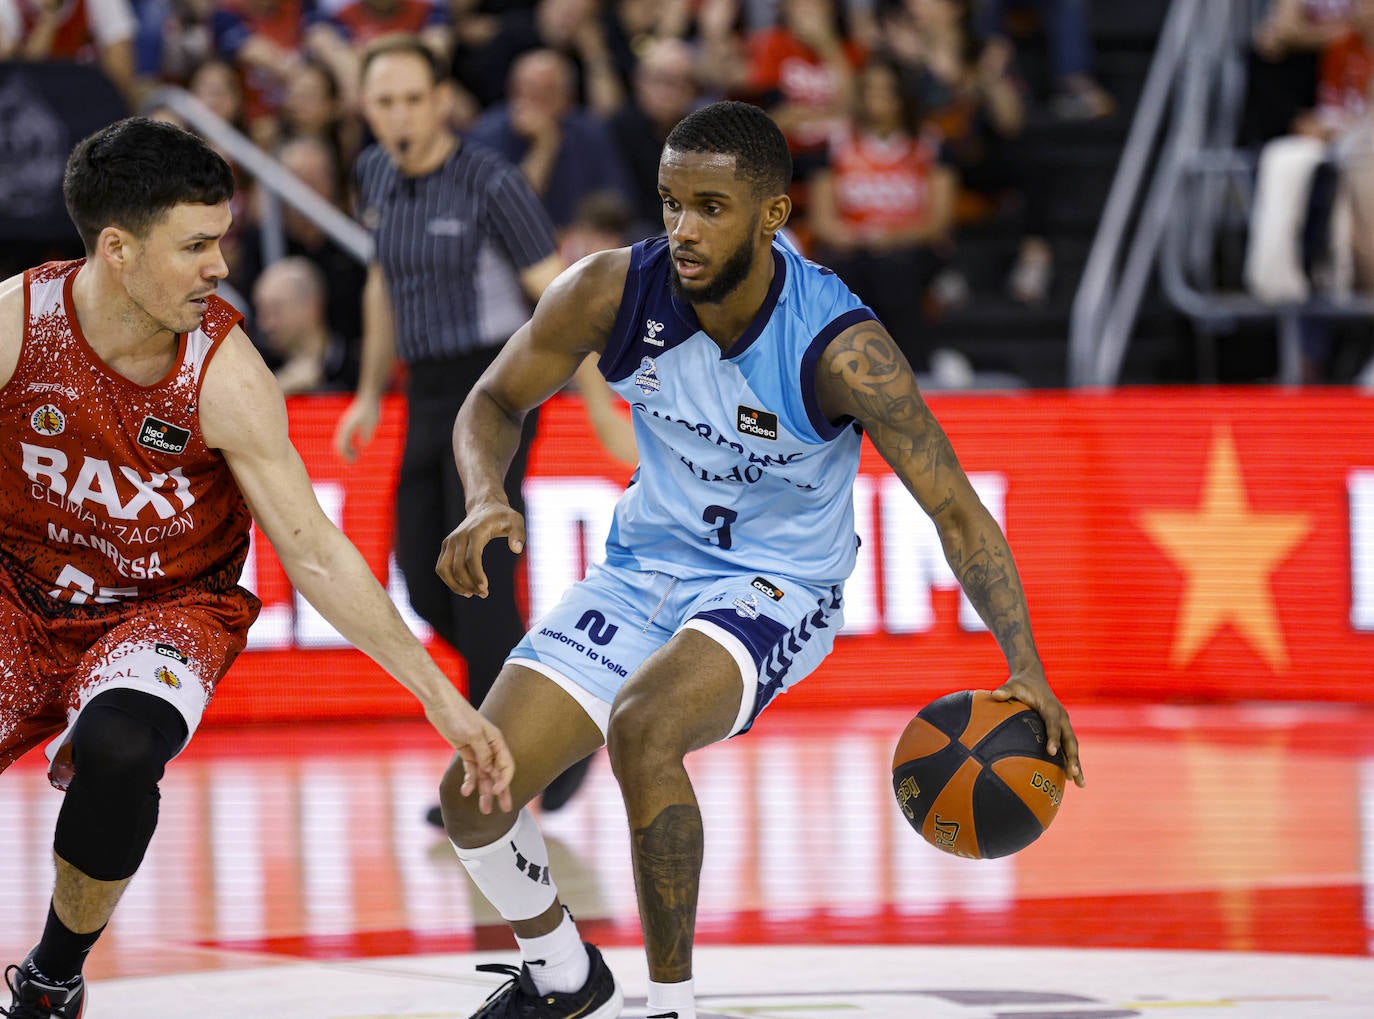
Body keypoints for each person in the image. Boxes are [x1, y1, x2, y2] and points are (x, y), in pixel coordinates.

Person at [435, 99, 1084, 1019]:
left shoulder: (841, 347)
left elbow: (956, 511)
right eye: (671, 203)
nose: (683, 229)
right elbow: (493, 400)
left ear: (773, 213)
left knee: (644, 726)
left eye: (710, 207)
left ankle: (672, 1006)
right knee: (475, 794)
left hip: (777, 585)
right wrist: (485, 493)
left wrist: (1026, 666)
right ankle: (562, 974)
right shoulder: (609, 290)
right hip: (641, 569)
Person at [0, 116, 513, 1019]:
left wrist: (441, 697)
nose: (220, 267)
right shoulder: (16, 325)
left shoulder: (225, 373)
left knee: (122, 746)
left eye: (222, 240)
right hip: (18, 589)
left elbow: (314, 549)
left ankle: (53, 975)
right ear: (117, 248)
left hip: (165, 606)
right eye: (196, 245)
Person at [333, 36, 594, 815]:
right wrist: (370, 392)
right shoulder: (375, 173)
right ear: (366, 107)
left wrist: (601, 401)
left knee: (480, 585)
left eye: (414, 99)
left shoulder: (491, 180)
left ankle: (501, 771)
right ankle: (557, 714)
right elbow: (382, 282)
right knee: (422, 577)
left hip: (497, 390)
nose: (400, 116)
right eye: (385, 102)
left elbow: (558, 295)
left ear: (443, 100)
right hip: (425, 389)